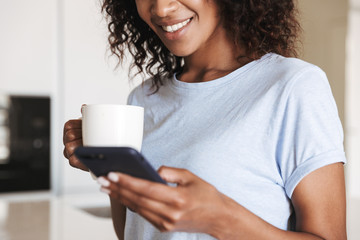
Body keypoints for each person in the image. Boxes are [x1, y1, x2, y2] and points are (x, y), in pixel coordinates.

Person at [63, 0, 347, 239]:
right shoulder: (143, 98)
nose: (161, 8)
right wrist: (110, 168)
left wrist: (221, 219)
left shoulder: (293, 87)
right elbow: (134, 232)